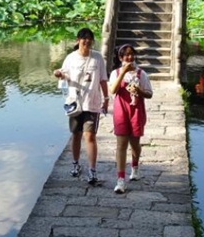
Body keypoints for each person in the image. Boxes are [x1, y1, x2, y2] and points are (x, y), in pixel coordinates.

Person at [53, 28, 109, 185]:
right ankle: (76, 164)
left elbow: (103, 79)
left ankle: (92, 170)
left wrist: (106, 98)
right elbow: (64, 74)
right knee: (76, 134)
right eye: (84, 38)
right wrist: (59, 74)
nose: (87, 41)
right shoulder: (70, 58)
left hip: (92, 103)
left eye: (90, 38)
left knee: (89, 136)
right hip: (75, 103)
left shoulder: (97, 58)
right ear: (78, 40)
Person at [108, 44, 153, 194]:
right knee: (121, 145)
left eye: (132, 54)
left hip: (136, 111)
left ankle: (135, 167)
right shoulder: (115, 73)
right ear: (121, 58)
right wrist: (123, 72)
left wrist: (139, 91)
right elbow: (113, 90)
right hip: (121, 111)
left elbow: (149, 94)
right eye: (126, 55)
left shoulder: (141, 74)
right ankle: (121, 180)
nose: (130, 57)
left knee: (135, 143)